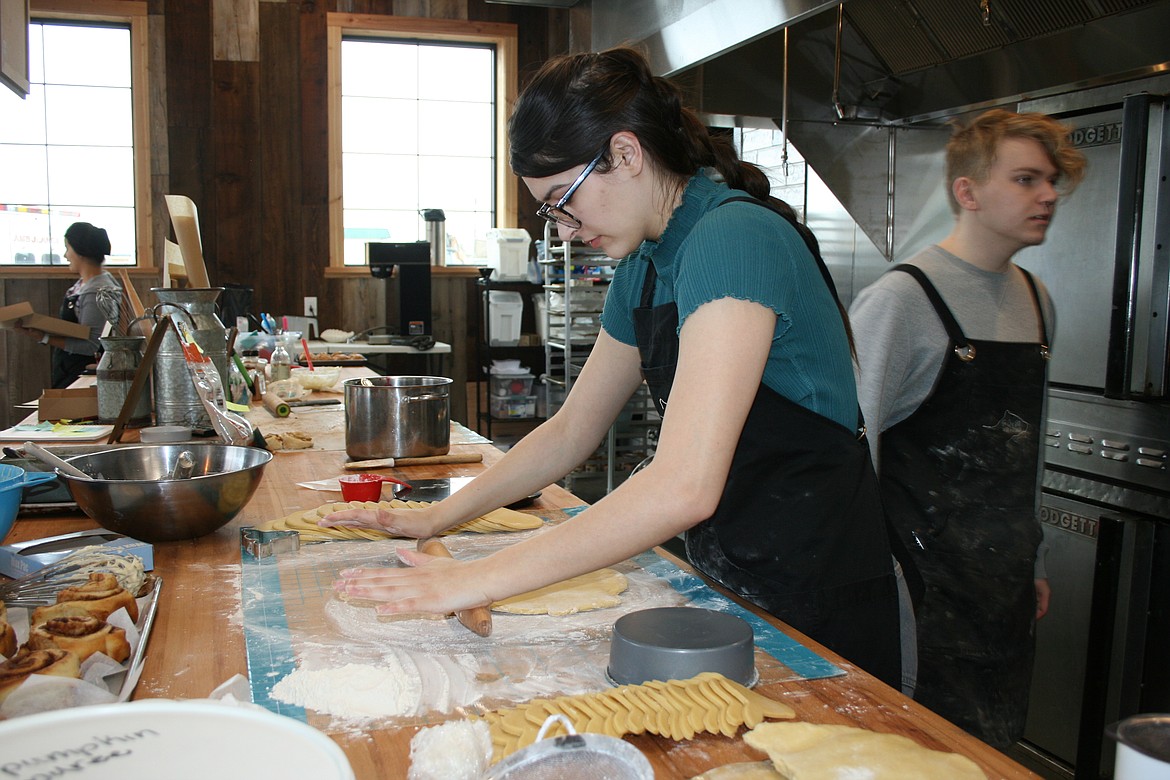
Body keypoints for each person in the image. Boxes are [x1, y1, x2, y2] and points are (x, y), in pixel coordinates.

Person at [326, 46, 903, 687]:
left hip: (815, 598)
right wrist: (437, 518)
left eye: (561, 202)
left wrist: (472, 580)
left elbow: (683, 484)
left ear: (625, 155)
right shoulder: (645, 267)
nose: (563, 231)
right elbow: (571, 430)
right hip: (733, 577)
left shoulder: (735, 238)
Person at [848, 109, 1086, 748]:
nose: (1048, 195)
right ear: (968, 192)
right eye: (1028, 179)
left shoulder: (1037, 300)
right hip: (918, 592)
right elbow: (851, 449)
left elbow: (1022, 453)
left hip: (1002, 588)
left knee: (992, 750)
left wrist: (1030, 557)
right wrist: (870, 590)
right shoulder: (903, 301)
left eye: (1052, 180)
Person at [18, 222, 122, 388]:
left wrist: (45, 337)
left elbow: (92, 346)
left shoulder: (96, 291)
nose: (66, 255)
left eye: (68, 248)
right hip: (70, 372)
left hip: (82, 378)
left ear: (80, 252)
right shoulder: (86, 285)